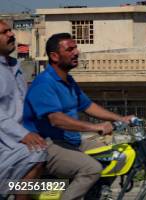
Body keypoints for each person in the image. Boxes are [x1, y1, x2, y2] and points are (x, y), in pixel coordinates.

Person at [23, 33, 134, 200]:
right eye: (70, 49)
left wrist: (120, 119)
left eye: (75, 48)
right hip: (47, 144)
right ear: (54, 56)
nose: (76, 52)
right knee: (91, 168)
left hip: (71, 141)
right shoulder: (44, 83)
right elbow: (56, 119)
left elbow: (88, 105)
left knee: (115, 156)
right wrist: (96, 127)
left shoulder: (68, 81)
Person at [0, 20, 46, 200]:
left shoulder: (15, 66)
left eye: (10, 30)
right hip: (6, 142)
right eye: (4, 32)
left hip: (23, 136)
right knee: (37, 151)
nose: (11, 34)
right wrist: (23, 135)